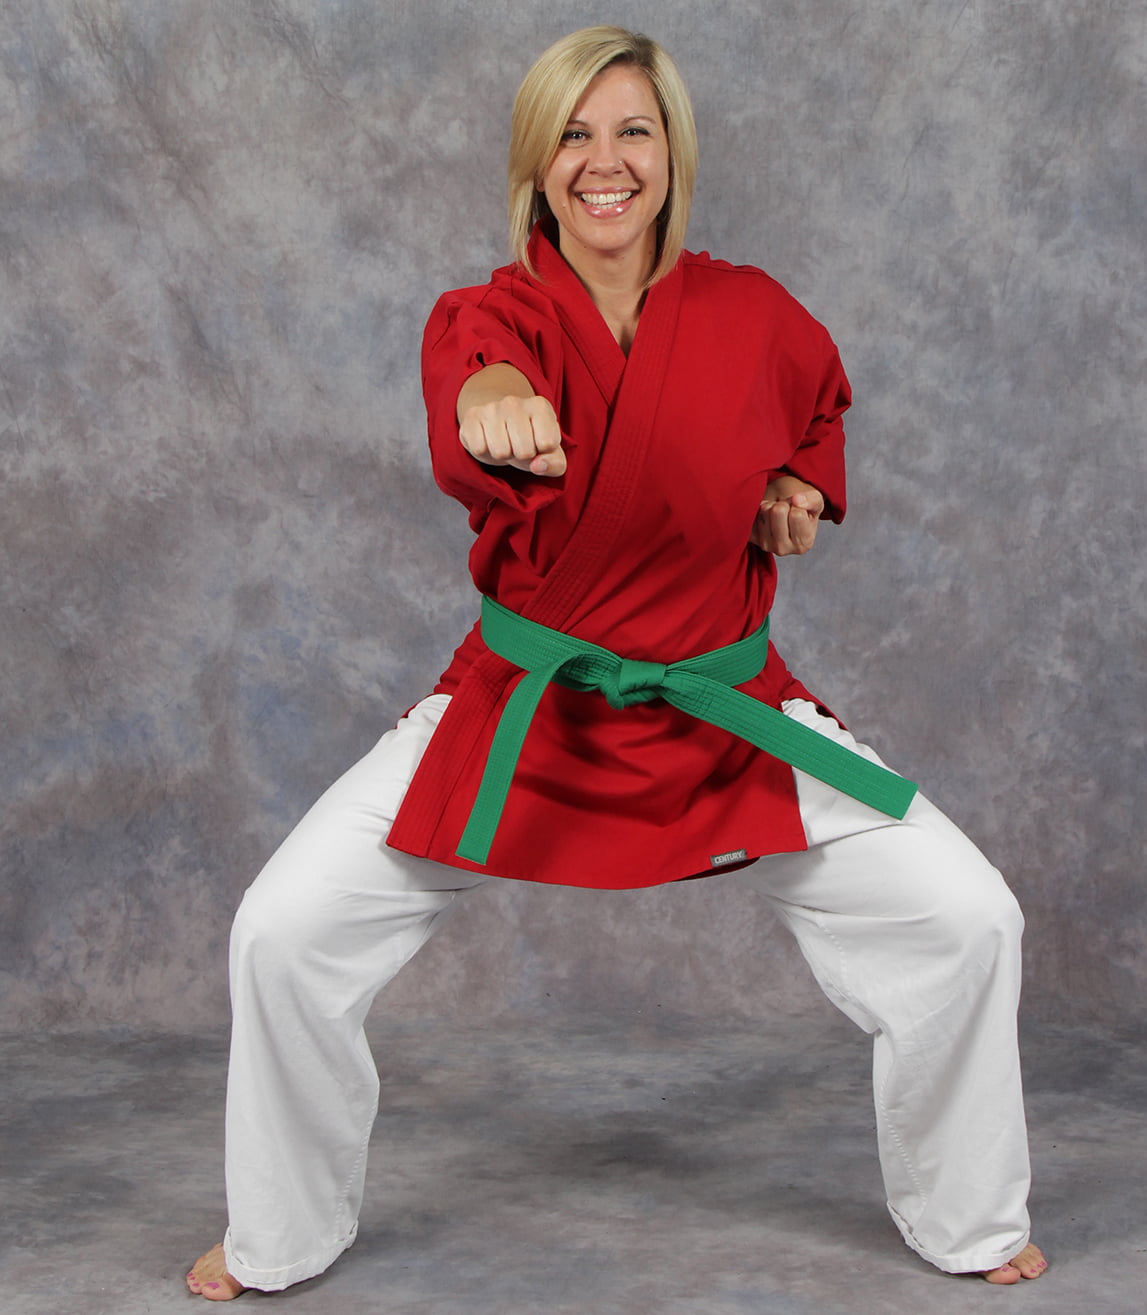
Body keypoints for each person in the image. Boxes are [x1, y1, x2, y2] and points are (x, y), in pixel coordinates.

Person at [187, 26, 1047, 1300]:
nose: (605, 161)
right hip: (524, 716)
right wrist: (494, 399)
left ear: (671, 153)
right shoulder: (493, 316)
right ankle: (281, 1234)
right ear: (537, 165)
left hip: (721, 709)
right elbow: (473, 386)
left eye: (632, 130)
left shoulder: (753, 313)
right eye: (574, 135)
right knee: (280, 933)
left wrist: (799, 483)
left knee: (971, 917)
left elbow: (816, 405)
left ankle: (969, 1217)